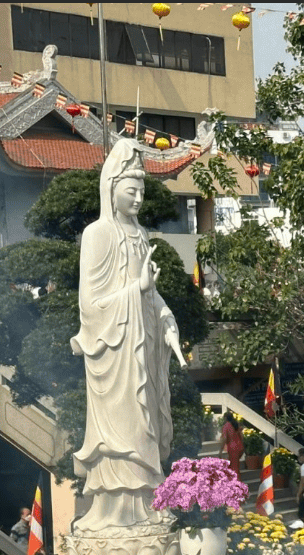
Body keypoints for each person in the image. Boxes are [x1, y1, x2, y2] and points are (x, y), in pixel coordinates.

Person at [70, 140, 186, 533]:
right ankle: (115, 513)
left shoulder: (139, 234)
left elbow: (149, 290)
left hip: (144, 345)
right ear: (111, 188)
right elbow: (90, 303)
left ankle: (148, 506)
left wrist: (166, 316)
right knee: (124, 431)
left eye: (142, 191)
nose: (138, 199)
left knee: (147, 423)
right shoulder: (96, 234)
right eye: (130, 190)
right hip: (113, 351)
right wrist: (135, 291)